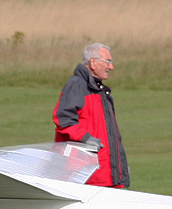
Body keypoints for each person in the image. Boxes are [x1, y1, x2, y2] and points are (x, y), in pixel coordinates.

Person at [53, 42, 129, 188]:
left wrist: (120, 167)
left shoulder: (100, 91)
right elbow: (63, 119)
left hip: (105, 176)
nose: (111, 67)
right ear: (93, 63)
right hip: (86, 175)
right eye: (108, 61)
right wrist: (86, 138)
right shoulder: (76, 85)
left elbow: (111, 137)